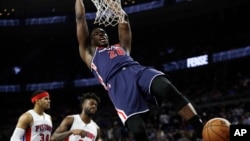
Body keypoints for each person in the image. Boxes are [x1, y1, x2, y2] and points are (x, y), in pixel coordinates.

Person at [75, 0, 204, 140]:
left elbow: (124, 20)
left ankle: (200, 129)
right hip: (117, 84)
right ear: (90, 41)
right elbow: (80, 19)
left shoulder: (121, 47)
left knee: (166, 87)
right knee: (137, 129)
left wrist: (112, 4)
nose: (102, 34)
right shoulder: (89, 54)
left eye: (104, 33)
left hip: (136, 70)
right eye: (97, 33)